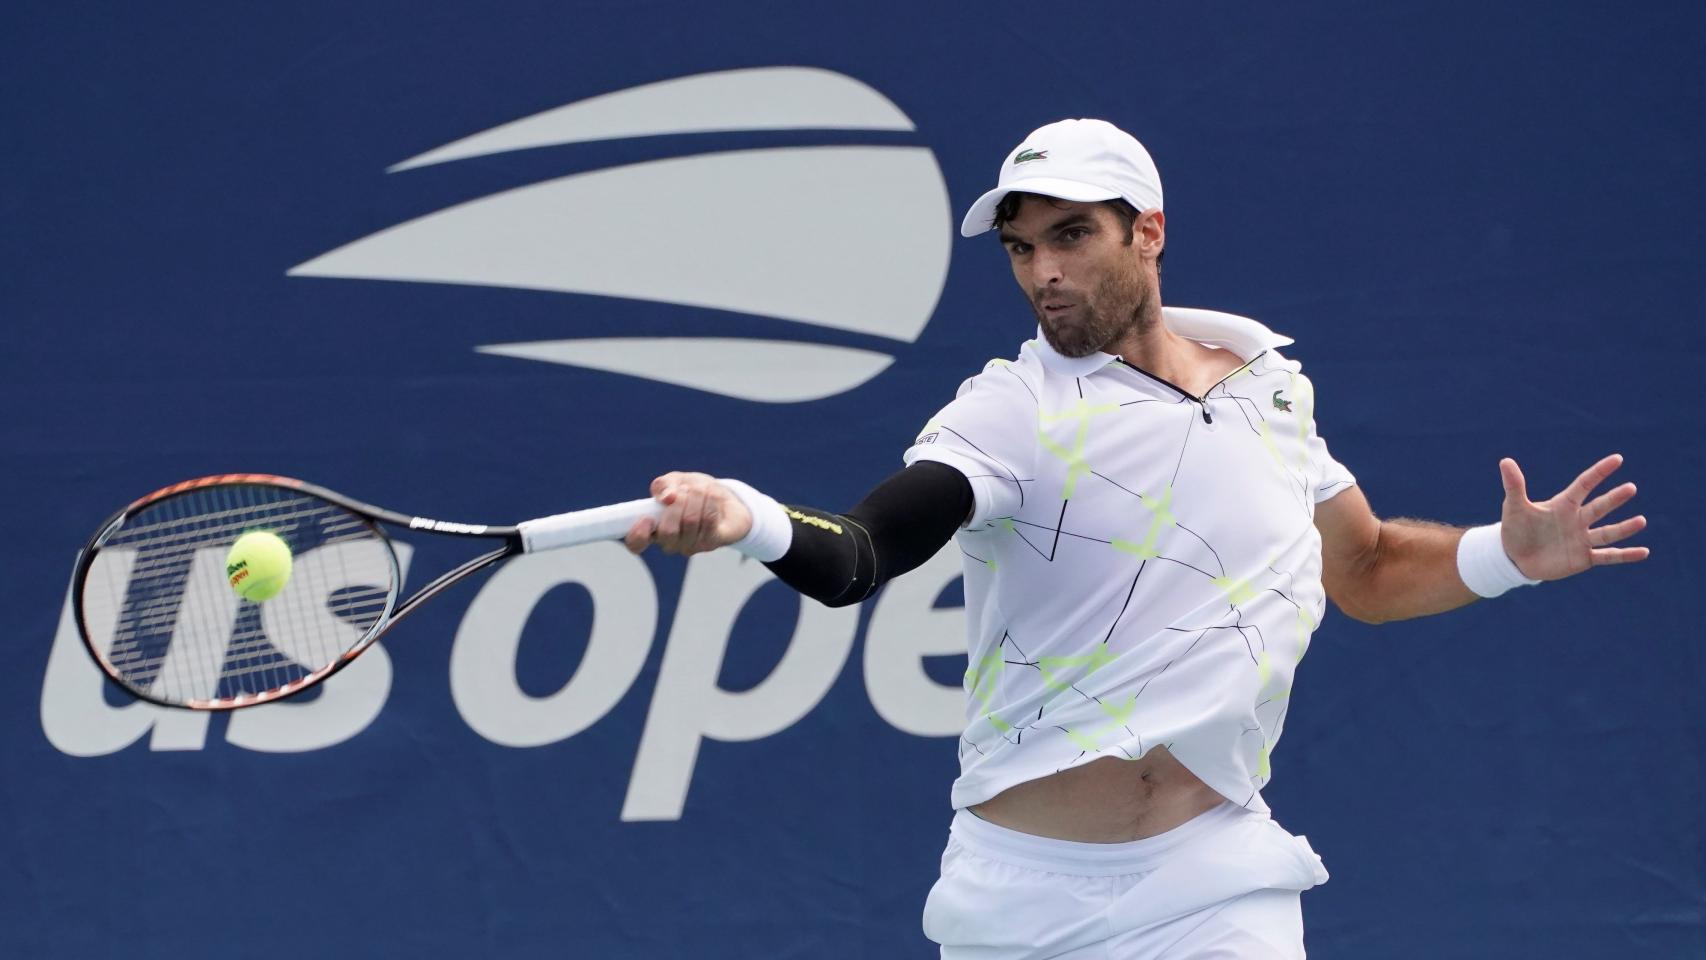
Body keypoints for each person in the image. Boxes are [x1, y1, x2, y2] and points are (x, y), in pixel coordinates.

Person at [621, 118, 1650, 959]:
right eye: (1021, 248)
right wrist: (746, 518)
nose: (1041, 274)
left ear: (1146, 231)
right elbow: (857, 554)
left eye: (1070, 235)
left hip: (1216, 879)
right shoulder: (1005, 414)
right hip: (1021, 905)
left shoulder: (1267, 388)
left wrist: (1504, 557)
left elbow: (1367, 567)